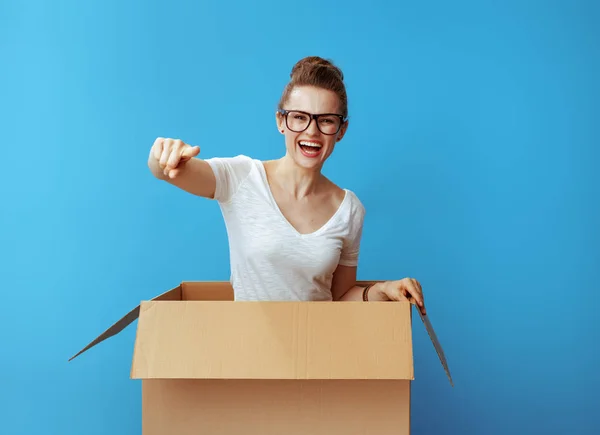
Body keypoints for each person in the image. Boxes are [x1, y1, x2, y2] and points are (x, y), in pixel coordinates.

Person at [147, 56, 426, 314]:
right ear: (281, 121)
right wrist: (162, 155)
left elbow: (341, 298)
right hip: (250, 355)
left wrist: (382, 290)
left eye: (326, 121)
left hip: (318, 357)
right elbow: (170, 171)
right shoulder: (243, 177)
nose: (311, 131)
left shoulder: (349, 209)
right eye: (299, 117)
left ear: (341, 130)